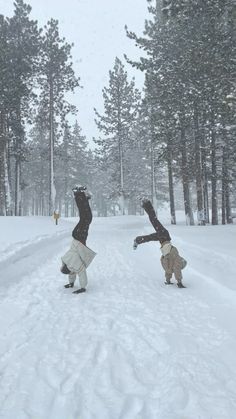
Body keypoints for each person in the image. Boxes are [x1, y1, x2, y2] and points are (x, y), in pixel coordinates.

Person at [133, 199, 187, 288]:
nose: (182, 259)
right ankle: (138, 240)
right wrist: (168, 281)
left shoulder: (176, 261)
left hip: (164, 237)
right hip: (163, 240)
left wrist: (179, 282)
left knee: (154, 221)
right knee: (152, 227)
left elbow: (175, 271)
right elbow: (169, 272)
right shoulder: (170, 265)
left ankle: (147, 205)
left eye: (182, 261)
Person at [61, 186, 96, 294]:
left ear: (70, 268)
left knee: (87, 217)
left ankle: (79, 195)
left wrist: (83, 287)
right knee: (84, 217)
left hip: (80, 237)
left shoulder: (74, 266)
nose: (72, 272)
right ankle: (81, 197)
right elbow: (71, 273)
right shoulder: (65, 260)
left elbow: (81, 273)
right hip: (76, 236)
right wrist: (71, 283)